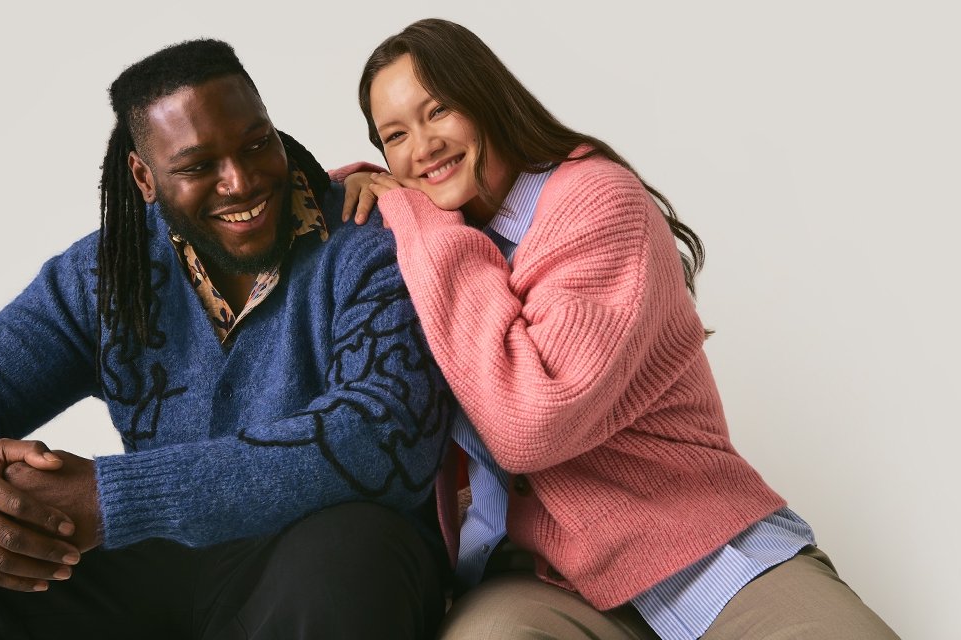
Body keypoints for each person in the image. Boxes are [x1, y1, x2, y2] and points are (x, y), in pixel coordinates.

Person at [0, 39, 454, 640]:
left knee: (353, 549)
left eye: (257, 144)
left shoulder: (367, 241)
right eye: (199, 166)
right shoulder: (111, 273)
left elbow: (381, 437)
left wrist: (112, 495)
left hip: (313, 565)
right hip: (162, 571)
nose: (242, 181)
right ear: (143, 178)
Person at [334, 18, 898, 640]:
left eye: (438, 110)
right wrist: (356, 189)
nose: (423, 146)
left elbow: (531, 421)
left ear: (484, 96)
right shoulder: (427, 238)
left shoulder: (595, 201)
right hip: (542, 584)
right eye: (395, 136)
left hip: (703, 553)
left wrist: (414, 213)